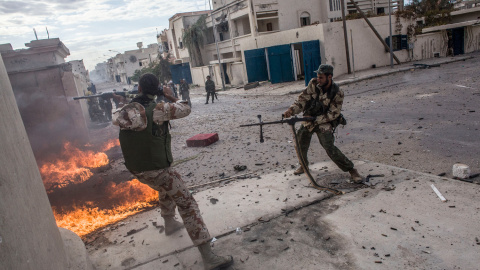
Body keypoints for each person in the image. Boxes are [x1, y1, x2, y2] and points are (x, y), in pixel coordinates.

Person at [113, 73, 233, 270]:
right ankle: (208, 257)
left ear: (140, 89)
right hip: (156, 169)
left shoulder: (122, 112)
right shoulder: (159, 109)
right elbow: (185, 108)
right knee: (187, 204)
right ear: (157, 89)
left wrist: (123, 100)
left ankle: (169, 223)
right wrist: (169, 95)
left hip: (136, 170)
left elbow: (130, 114)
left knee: (165, 187)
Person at [283, 64, 363, 183]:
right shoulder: (313, 84)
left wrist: (315, 119)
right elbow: (302, 100)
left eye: (321, 77)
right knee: (300, 143)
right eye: (318, 77)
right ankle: (303, 165)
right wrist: (291, 110)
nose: (318, 80)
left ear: (329, 77)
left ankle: (351, 169)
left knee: (329, 147)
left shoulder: (337, 93)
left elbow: (333, 114)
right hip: (309, 119)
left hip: (324, 122)